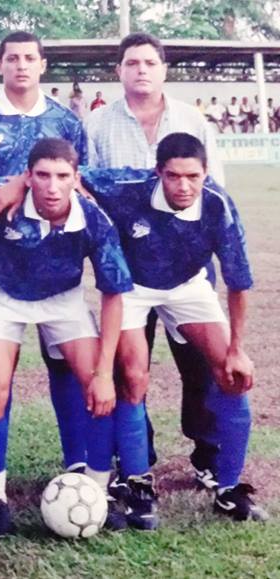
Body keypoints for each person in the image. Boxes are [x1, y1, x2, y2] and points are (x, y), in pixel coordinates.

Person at [0, 138, 131, 536]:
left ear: (76, 178)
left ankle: (97, 490)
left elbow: (113, 294)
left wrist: (105, 373)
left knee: (98, 387)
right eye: (42, 175)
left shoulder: (93, 218)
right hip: (3, 297)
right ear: (27, 176)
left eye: (62, 176)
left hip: (63, 300)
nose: (52, 186)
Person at [80, 133, 265, 525]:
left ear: (206, 173)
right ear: (157, 173)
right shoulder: (127, 186)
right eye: (173, 176)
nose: (184, 186)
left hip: (187, 285)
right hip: (132, 287)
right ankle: (137, 485)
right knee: (134, 377)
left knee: (232, 375)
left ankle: (228, 488)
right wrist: (19, 184)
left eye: (193, 176)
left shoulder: (217, 206)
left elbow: (238, 283)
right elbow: (71, 173)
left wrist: (237, 348)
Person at [0, 31, 92, 480]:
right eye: (12, 58)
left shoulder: (66, 122)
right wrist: (7, 187)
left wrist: (24, 183)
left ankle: (78, 457)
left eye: (30, 57)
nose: (22, 65)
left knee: (63, 359)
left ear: (43, 65)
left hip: (58, 256)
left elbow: (81, 182)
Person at [86, 32, 226, 490]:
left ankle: (208, 454)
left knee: (200, 364)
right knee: (131, 368)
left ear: (164, 69)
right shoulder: (99, 123)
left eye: (149, 62)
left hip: (187, 265)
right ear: (119, 71)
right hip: (128, 267)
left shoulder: (191, 120)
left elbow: (214, 190)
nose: (141, 70)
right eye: (132, 63)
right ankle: (136, 459)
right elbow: (88, 190)